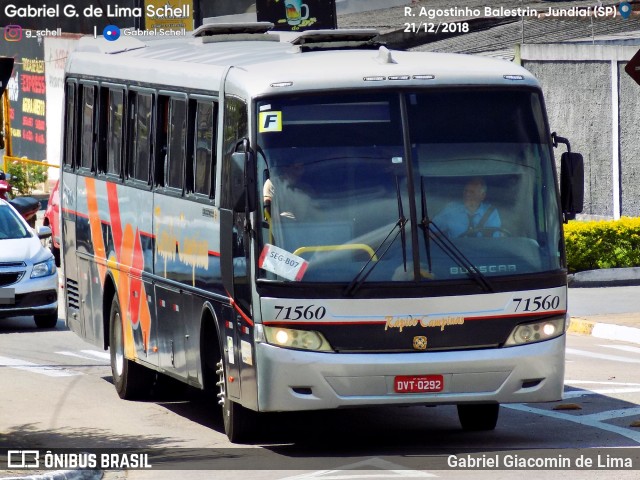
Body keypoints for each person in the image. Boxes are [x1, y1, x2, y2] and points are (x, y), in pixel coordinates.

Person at [432, 177, 501, 238]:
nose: (467, 194)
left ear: (482, 196)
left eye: (472, 192)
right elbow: (430, 230)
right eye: (465, 191)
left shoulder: (491, 212)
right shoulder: (451, 209)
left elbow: (494, 241)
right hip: (453, 251)